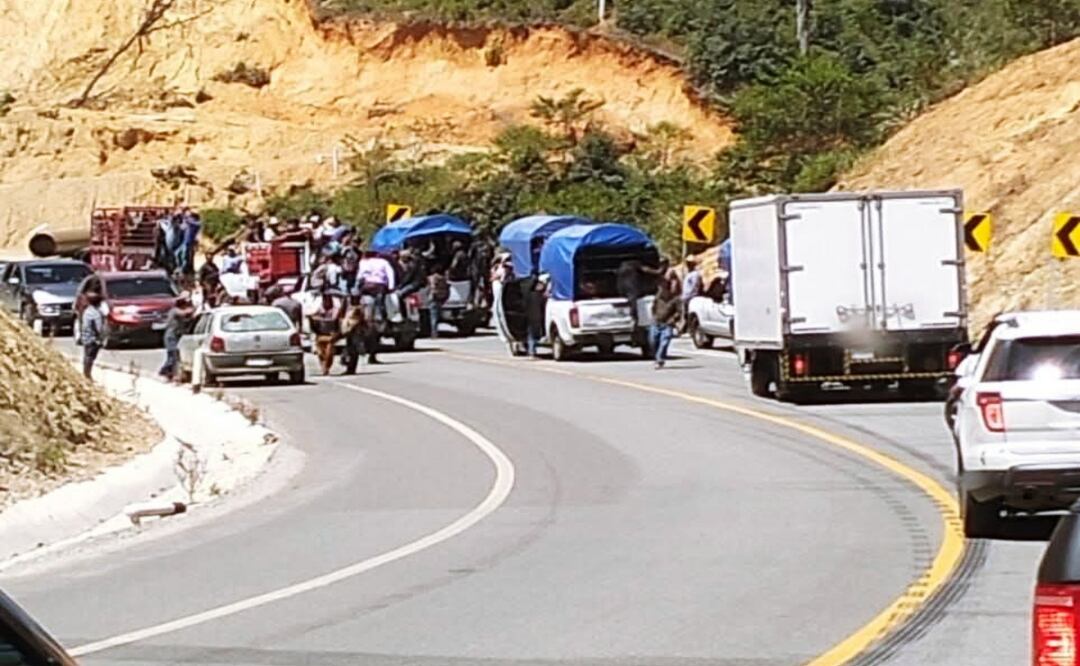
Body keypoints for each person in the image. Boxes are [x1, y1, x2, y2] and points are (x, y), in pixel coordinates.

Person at [159, 293, 195, 381]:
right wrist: (194, 308)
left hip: (176, 335)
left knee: (175, 356)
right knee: (173, 354)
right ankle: (164, 371)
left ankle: (170, 373)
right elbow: (184, 313)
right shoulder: (174, 311)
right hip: (171, 336)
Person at [310, 290, 344, 375]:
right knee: (320, 353)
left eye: (328, 300)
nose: (326, 302)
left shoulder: (336, 310)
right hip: (320, 334)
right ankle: (323, 367)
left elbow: (337, 321)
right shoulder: (319, 308)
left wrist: (337, 333)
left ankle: (327, 367)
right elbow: (313, 317)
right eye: (325, 300)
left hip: (330, 335)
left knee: (329, 353)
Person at [650, 280, 680, 370]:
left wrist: (673, 319)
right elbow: (653, 308)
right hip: (656, 323)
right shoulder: (657, 298)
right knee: (653, 341)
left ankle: (660, 359)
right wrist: (654, 317)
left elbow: (679, 312)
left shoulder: (675, 300)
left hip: (667, 324)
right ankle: (656, 356)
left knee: (664, 342)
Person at [80, 291, 105, 379]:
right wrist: (101, 338)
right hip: (93, 339)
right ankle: (87, 374)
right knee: (90, 357)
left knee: (86, 356)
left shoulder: (87, 311)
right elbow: (99, 328)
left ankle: (86, 373)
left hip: (86, 337)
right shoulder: (95, 313)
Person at [522, 273, 546, 358]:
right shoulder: (536, 295)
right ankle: (532, 351)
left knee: (531, 334)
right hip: (534, 317)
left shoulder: (527, 294)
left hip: (529, 316)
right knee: (532, 334)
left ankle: (531, 350)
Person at [427, 265, 450, 339]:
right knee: (436, 316)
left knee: (433, 316)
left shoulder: (432, 278)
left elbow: (431, 287)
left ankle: (434, 333)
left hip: (433, 298)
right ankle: (435, 332)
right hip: (441, 298)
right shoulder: (443, 279)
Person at [681, 257, 703, 332]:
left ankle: (692, 329)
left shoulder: (695, 274)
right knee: (686, 314)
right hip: (686, 297)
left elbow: (695, 286)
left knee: (690, 314)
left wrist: (690, 295)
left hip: (691, 297)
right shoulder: (688, 274)